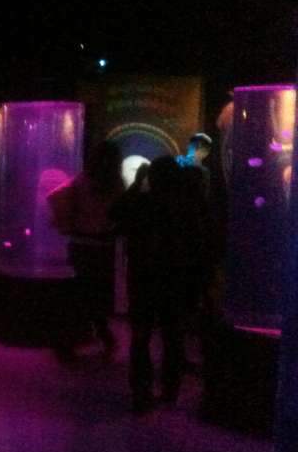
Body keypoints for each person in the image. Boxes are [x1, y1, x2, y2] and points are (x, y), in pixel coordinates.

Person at [111, 156, 211, 414]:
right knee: (173, 336)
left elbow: (115, 214)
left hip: (142, 279)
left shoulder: (141, 203)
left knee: (141, 335)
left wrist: (136, 184)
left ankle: (141, 392)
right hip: (176, 279)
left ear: (151, 177)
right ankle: (169, 390)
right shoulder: (187, 206)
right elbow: (199, 246)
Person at [49, 140, 124, 357]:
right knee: (97, 295)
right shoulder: (116, 184)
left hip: (80, 244)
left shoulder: (83, 180)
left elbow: (63, 199)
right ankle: (103, 335)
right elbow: (119, 214)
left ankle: (67, 342)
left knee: (79, 294)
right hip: (103, 246)